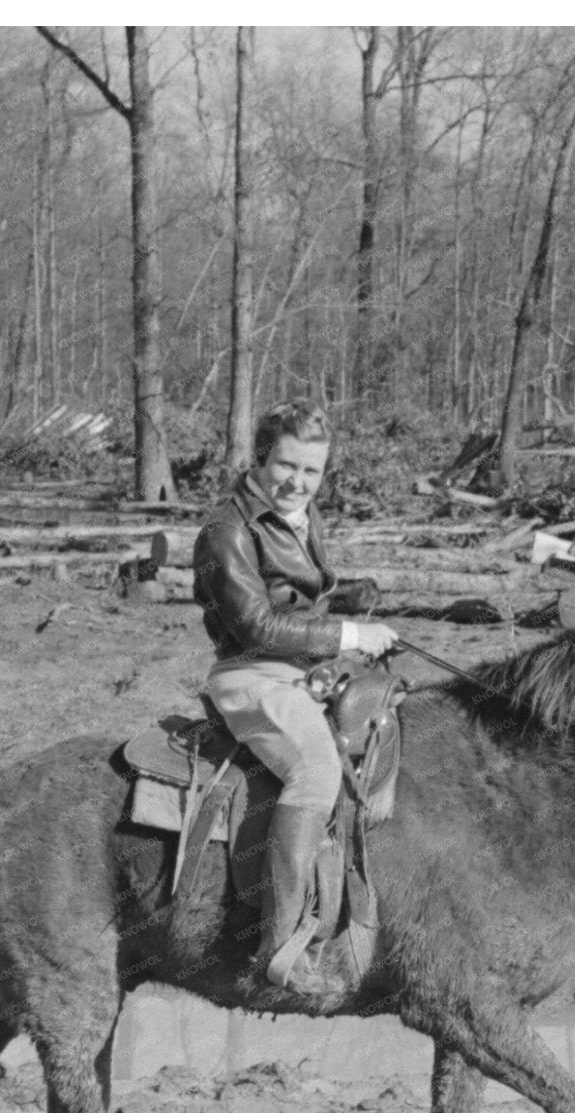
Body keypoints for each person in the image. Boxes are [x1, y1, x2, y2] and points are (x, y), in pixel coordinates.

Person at [192, 400, 398, 994]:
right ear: (260, 458)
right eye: (286, 466)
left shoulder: (302, 516)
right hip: (251, 675)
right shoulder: (226, 530)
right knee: (314, 768)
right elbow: (256, 624)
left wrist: (352, 598)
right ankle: (277, 947)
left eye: (311, 471)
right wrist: (349, 634)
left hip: (303, 668)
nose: (297, 482)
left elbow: (300, 596)